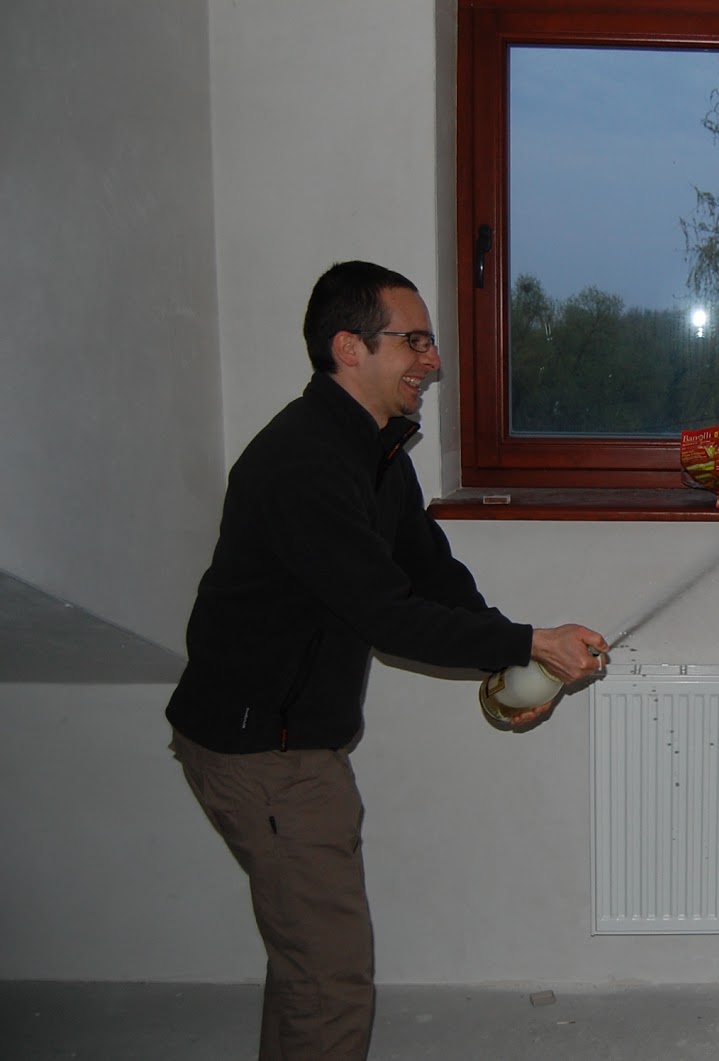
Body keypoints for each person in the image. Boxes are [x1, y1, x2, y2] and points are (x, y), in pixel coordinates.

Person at [165, 260, 607, 1061]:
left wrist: (511, 669)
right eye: (415, 341)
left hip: (288, 746)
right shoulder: (303, 464)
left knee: (310, 967)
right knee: (330, 982)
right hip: (262, 753)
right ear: (349, 347)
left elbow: (429, 574)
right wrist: (527, 642)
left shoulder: (375, 453)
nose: (432, 361)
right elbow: (383, 612)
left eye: (430, 343)